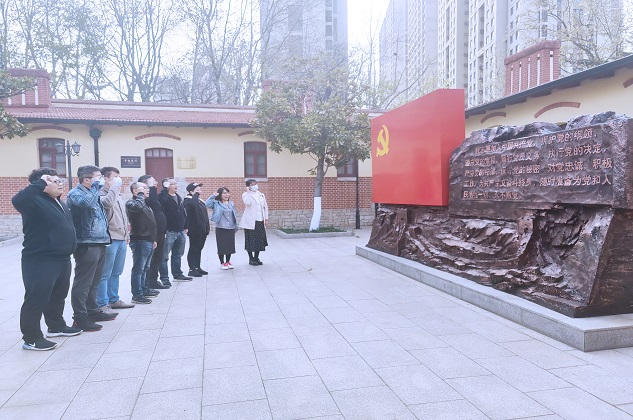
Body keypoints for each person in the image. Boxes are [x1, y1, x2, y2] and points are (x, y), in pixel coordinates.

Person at [12, 168, 82, 351]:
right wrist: (41, 181)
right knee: (37, 298)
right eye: (54, 181)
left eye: (60, 180)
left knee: (58, 296)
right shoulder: (33, 201)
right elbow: (17, 201)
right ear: (41, 184)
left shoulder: (58, 201)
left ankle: (56, 326)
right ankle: (31, 338)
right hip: (41, 259)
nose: (60, 184)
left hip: (62, 258)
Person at [67, 165, 115, 332]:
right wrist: (96, 187)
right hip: (86, 243)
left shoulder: (93, 193)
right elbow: (85, 204)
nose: (101, 179)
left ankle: (93, 311)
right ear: (86, 179)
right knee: (83, 282)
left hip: (100, 242)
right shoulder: (75, 193)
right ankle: (80, 317)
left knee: (94, 281)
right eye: (97, 177)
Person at [97, 166, 135, 314]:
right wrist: (113, 188)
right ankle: (102, 303)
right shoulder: (100, 194)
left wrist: (126, 235)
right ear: (105, 179)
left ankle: (114, 299)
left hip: (121, 238)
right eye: (114, 177)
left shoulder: (116, 194)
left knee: (116, 272)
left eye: (119, 177)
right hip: (110, 239)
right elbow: (107, 204)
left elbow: (123, 217)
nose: (118, 180)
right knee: (105, 273)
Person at [126, 182, 158, 304]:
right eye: (144, 188)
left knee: (145, 267)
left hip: (148, 239)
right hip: (140, 240)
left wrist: (153, 239)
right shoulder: (132, 203)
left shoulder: (144, 203)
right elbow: (137, 208)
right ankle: (137, 294)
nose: (147, 190)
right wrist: (140, 194)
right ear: (135, 191)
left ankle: (144, 289)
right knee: (138, 269)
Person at [138, 175, 170, 289]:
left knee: (157, 258)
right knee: (150, 260)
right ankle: (147, 283)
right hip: (152, 233)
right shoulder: (144, 197)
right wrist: (151, 188)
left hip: (160, 232)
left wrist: (165, 189)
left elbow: (162, 200)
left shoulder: (154, 195)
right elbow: (152, 202)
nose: (155, 182)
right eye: (151, 181)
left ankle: (153, 280)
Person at [158, 178, 192, 281]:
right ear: (166, 185)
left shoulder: (178, 197)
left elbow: (182, 212)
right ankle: (164, 278)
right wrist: (164, 189)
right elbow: (162, 199)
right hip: (169, 231)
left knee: (177, 254)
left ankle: (177, 274)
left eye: (175, 183)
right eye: (172, 184)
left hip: (180, 231)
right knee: (164, 256)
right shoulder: (163, 197)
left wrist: (185, 225)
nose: (175, 185)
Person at [206, 187, 238, 270]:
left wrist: (236, 226)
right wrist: (213, 196)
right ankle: (222, 262)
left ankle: (228, 261)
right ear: (220, 194)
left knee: (230, 246)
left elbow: (234, 215)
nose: (226, 195)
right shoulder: (216, 204)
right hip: (221, 227)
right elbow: (207, 204)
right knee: (222, 246)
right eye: (224, 193)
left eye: (227, 193)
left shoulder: (231, 203)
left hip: (231, 227)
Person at [240, 179, 269, 266]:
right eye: (252, 184)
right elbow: (247, 203)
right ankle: (251, 258)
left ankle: (256, 257)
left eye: (255, 184)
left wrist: (266, 218)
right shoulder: (245, 194)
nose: (254, 185)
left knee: (259, 240)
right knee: (250, 240)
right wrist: (248, 192)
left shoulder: (261, 194)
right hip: (250, 221)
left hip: (260, 220)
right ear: (248, 186)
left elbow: (265, 207)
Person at [184, 182, 210, 276]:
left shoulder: (200, 201)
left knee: (199, 249)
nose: (200, 191)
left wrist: (207, 228)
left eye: (200, 190)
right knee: (193, 248)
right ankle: (191, 269)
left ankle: (197, 267)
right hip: (194, 229)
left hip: (202, 229)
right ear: (191, 192)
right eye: (197, 190)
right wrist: (195, 195)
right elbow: (191, 206)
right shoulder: (188, 200)